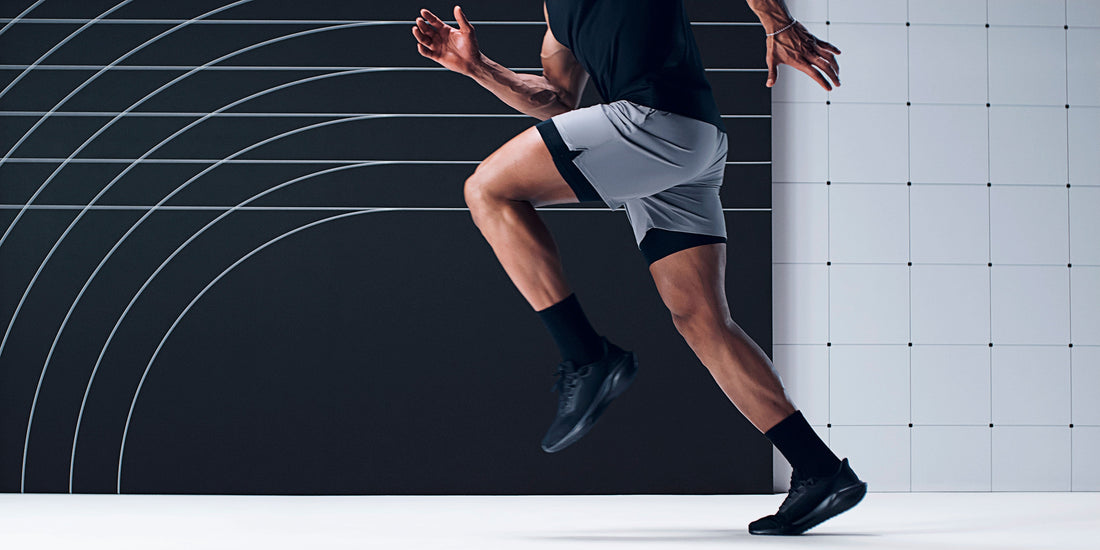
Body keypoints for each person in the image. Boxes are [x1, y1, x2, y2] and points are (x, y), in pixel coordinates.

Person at [411, 0, 864, 535]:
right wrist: (479, 68)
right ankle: (819, 469)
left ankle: (587, 355)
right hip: (683, 144)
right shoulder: (559, 15)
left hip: (657, 124)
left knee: (487, 190)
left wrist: (778, 22)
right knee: (702, 321)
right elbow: (558, 101)